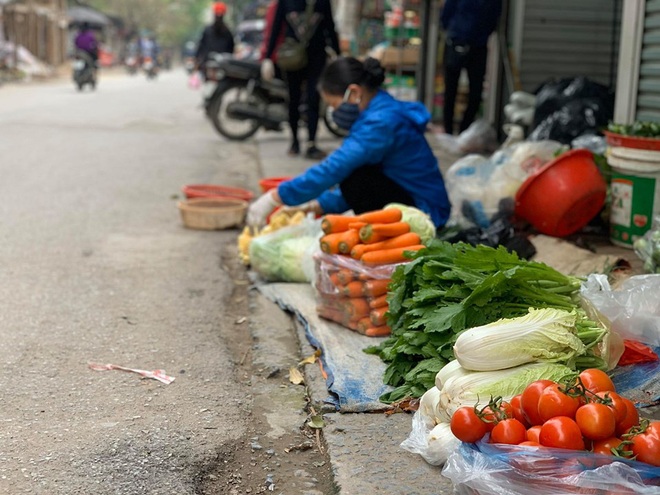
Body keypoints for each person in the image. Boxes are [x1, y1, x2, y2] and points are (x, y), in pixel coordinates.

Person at [247, 57, 451, 229]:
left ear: (354, 92)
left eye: (334, 105)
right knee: (355, 175)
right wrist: (316, 206)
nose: (335, 112)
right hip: (414, 199)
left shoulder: (380, 123)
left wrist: (277, 196)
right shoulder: (380, 109)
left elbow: (335, 169)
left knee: (353, 176)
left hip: (427, 213)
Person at [262, 0, 340, 159]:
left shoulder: (322, 2)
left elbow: (330, 26)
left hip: (317, 56)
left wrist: (338, 54)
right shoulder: (286, 2)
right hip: (292, 56)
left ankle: (311, 143)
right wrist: (268, 57)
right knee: (293, 99)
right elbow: (276, 27)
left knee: (314, 98)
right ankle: (294, 142)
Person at [441, 0, 502, 135]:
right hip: (468, 43)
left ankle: (457, 130)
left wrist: (452, 29)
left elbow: (446, 14)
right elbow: (494, 17)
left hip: (466, 43)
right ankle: (455, 129)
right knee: (463, 91)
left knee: (463, 91)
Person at [195, 2, 235, 73]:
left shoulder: (227, 32)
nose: (218, 17)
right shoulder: (208, 30)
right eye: (217, 15)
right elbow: (201, 45)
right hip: (208, 63)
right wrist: (197, 59)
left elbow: (231, 48)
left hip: (223, 65)